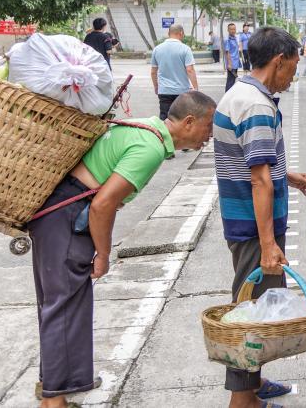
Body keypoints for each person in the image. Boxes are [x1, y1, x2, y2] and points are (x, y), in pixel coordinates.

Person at [30, 91, 217, 408]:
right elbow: (103, 205)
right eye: (208, 126)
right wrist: (103, 254)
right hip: (67, 217)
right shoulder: (151, 148)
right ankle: (54, 401)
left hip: (55, 214)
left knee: (59, 305)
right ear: (189, 122)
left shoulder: (146, 127)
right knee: (64, 308)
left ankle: (53, 385)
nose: (209, 136)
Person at [213, 27, 306, 408]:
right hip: (254, 229)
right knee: (251, 314)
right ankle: (243, 400)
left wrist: (284, 173)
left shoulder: (242, 94)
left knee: (257, 307)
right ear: (278, 61)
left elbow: (251, 161)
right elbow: (258, 180)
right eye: (293, 65)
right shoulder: (256, 106)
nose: (295, 72)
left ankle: (253, 384)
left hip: (243, 221)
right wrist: (270, 245)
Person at [150, 24, 199, 120]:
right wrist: (195, 88)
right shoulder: (185, 49)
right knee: (181, 118)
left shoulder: (157, 49)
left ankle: (164, 134)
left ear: (168, 33)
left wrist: (156, 87)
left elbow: (153, 72)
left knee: (165, 118)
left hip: (164, 90)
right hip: (182, 91)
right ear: (181, 33)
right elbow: (190, 70)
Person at [224, 23, 241, 92]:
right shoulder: (227, 40)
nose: (233, 31)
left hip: (235, 62)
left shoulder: (235, 38)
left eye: (234, 29)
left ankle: (229, 95)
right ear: (228, 30)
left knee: (233, 80)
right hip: (231, 63)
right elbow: (227, 52)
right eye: (231, 29)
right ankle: (227, 95)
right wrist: (229, 64)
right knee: (230, 81)